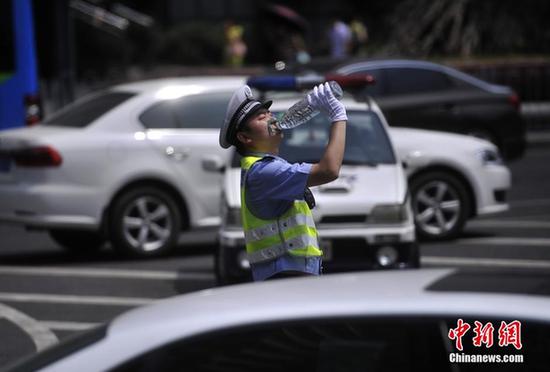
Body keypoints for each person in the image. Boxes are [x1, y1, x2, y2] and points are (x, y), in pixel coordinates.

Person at [219, 83, 347, 281]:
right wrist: (338, 116)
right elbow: (329, 170)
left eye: (269, 114)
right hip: (285, 276)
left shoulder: (267, 166)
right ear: (245, 137)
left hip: (290, 275)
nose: (272, 119)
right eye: (262, 118)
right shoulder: (264, 171)